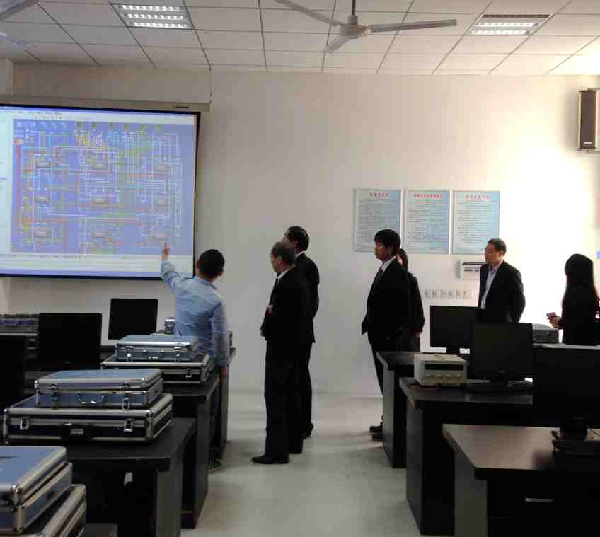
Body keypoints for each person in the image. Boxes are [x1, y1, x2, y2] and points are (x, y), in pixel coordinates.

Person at [161, 244, 230, 471]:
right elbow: (220, 337)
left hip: (180, 361)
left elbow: (168, 273)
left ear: (197, 265)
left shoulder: (181, 286)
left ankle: (183, 457)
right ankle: (206, 459)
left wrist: (165, 257)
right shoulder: (216, 301)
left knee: (182, 409)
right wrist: (223, 364)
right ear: (220, 273)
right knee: (208, 410)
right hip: (205, 365)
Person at [253, 242, 311, 465]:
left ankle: (276, 451)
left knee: (276, 398)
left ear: (279, 259)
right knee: (291, 395)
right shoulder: (294, 278)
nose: (271, 261)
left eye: (272, 257)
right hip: (292, 349)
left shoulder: (289, 283)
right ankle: (293, 442)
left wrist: (268, 321)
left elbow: (282, 317)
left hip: (281, 349)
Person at [361, 229, 411, 441]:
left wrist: (392, 336)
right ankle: (388, 424)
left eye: (379, 245)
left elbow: (402, 309)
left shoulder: (398, 273)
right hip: (378, 334)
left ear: (390, 248)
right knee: (384, 383)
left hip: (388, 338)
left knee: (390, 384)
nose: (376, 249)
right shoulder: (384, 269)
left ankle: (392, 428)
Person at [282, 226, 319, 439]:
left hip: (299, 334)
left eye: (285, 237)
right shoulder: (291, 264)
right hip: (289, 333)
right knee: (291, 378)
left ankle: (304, 424)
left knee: (300, 377)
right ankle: (293, 422)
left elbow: (311, 303)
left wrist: (296, 325)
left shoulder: (307, 266)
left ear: (294, 242)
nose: (282, 240)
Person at [547, 254, 599, 345]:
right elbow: (584, 322)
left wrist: (560, 321)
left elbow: (578, 325)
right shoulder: (591, 294)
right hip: (590, 345)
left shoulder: (574, 293)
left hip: (575, 346)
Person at [477, 238, 525, 323]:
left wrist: (513, 323)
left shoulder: (511, 272)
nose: (486, 254)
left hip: (500, 320)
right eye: (485, 251)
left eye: (490, 251)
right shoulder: (483, 269)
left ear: (500, 253)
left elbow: (519, 302)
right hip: (482, 316)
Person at [397, 248, 425, 352]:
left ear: (403, 261)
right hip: (388, 333)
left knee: (409, 359)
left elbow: (417, 305)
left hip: (408, 331)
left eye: (397, 259)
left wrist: (418, 328)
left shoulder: (410, 280)